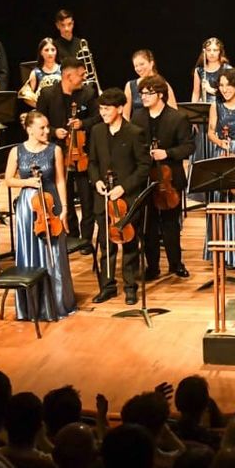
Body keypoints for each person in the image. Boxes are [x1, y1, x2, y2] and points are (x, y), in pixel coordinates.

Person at [3, 111, 75, 322]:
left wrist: (64, 208)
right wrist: (27, 183)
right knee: (30, 252)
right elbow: (8, 180)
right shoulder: (16, 151)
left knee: (54, 254)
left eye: (47, 126)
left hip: (51, 204)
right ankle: (32, 306)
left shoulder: (55, 150)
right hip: (28, 207)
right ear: (29, 129)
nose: (47, 131)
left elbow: (61, 180)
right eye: (42, 128)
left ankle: (57, 304)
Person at [87, 87, 152, 306]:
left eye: (107, 109)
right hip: (103, 198)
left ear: (120, 108)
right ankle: (107, 286)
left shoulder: (134, 132)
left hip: (127, 199)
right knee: (106, 244)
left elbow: (144, 167)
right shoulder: (96, 131)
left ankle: (131, 287)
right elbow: (93, 162)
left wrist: (123, 187)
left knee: (130, 244)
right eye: (101, 109)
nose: (103, 113)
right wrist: (96, 180)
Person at [132, 74, 193, 280]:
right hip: (146, 179)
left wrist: (167, 153)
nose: (143, 97)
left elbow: (188, 147)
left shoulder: (177, 118)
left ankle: (176, 263)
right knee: (148, 225)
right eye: (142, 93)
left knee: (170, 225)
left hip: (170, 181)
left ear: (160, 95)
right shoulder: (138, 117)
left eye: (147, 93)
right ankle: (153, 266)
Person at [37, 60, 98, 248]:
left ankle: (86, 239)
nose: (84, 77)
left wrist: (83, 124)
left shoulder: (87, 93)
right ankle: (71, 234)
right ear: (68, 76)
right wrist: (54, 131)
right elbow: (39, 121)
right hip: (57, 153)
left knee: (87, 198)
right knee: (65, 197)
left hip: (82, 154)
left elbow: (97, 117)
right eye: (81, 74)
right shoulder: (48, 94)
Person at [204, 67, 235, 270]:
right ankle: (222, 252)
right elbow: (210, 131)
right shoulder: (216, 106)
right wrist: (220, 142)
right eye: (221, 85)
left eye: (229, 85)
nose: (224, 89)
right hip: (222, 153)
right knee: (220, 201)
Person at [122, 48, 178, 119]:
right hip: (138, 128)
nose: (139, 68)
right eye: (136, 66)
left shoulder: (163, 84)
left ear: (151, 63)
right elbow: (125, 115)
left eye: (142, 64)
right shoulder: (130, 85)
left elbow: (174, 112)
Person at [20, 38, 62, 107]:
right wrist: (41, 107)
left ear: (56, 51)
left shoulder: (63, 70)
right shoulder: (35, 73)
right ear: (41, 52)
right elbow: (27, 98)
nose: (50, 53)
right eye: (46, 50)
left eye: (53, 50)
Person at [191, 36, 227, 104]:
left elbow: (230, 94)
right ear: (204, 52)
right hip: (205, 109)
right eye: (208, 50)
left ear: (220, 52)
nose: (212, 53)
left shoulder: (226, 69)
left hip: (222, 108)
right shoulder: (199, 70)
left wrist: (210, 90)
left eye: (215, 50)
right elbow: (196, 94)